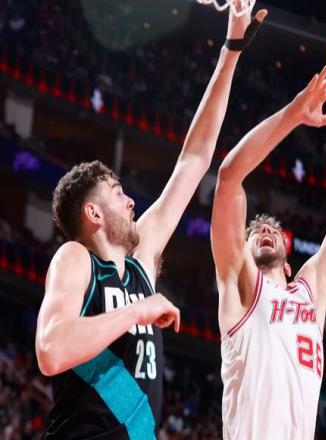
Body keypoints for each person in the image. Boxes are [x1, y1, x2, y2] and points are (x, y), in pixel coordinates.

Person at [35, 2, 268, 438]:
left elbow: (194, 159)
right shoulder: (77, 260)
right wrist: (138, 310)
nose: (130, 202)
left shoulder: (140, 259)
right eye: (117, 193)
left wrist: (232, 49)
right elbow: (51, 350)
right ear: (93, 213)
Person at [211, 52, 326, 439]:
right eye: (255, 231)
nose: (264, 228)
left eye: (273, 229)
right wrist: (293, 115)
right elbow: (228, 179)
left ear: (289, 265)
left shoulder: (311, 292)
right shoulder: (240, 286)